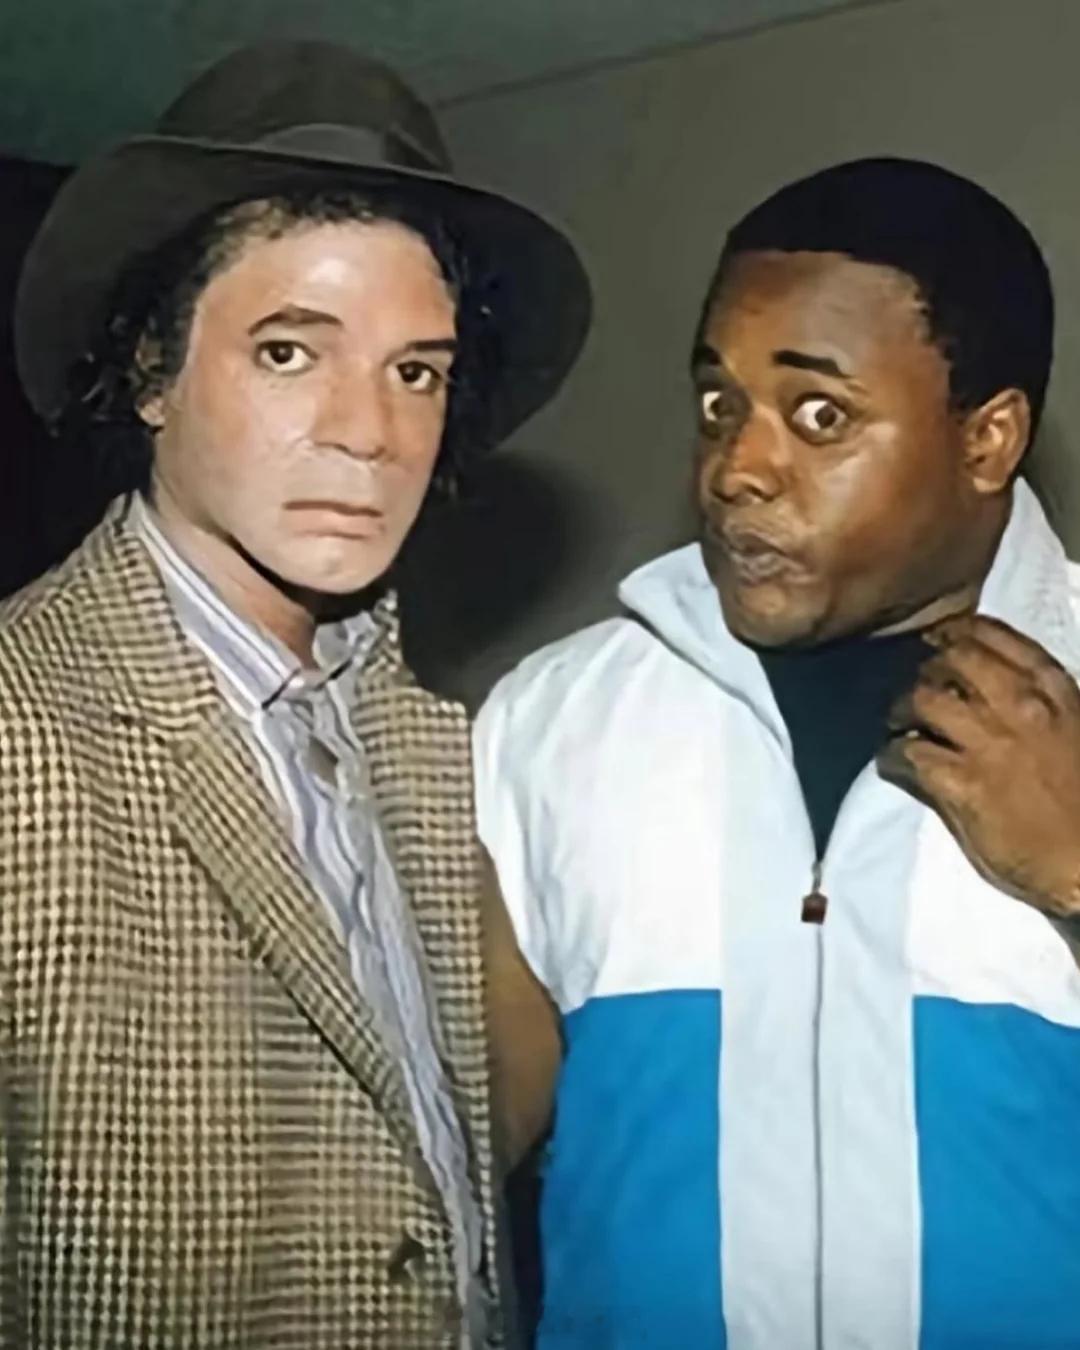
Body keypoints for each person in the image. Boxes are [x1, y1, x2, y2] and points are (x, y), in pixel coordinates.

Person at [1, 39, 588, 1349]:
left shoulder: (436, 748)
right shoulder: (24, 735)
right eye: (287, 352)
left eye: (415, 370)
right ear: (150, 371)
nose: (368, 431)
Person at [474, 157, 1080, 1349]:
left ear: (988, 438)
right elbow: (431, 1168)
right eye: (720, 405)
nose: (736, 470)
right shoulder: (552, 722)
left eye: (819, 415)